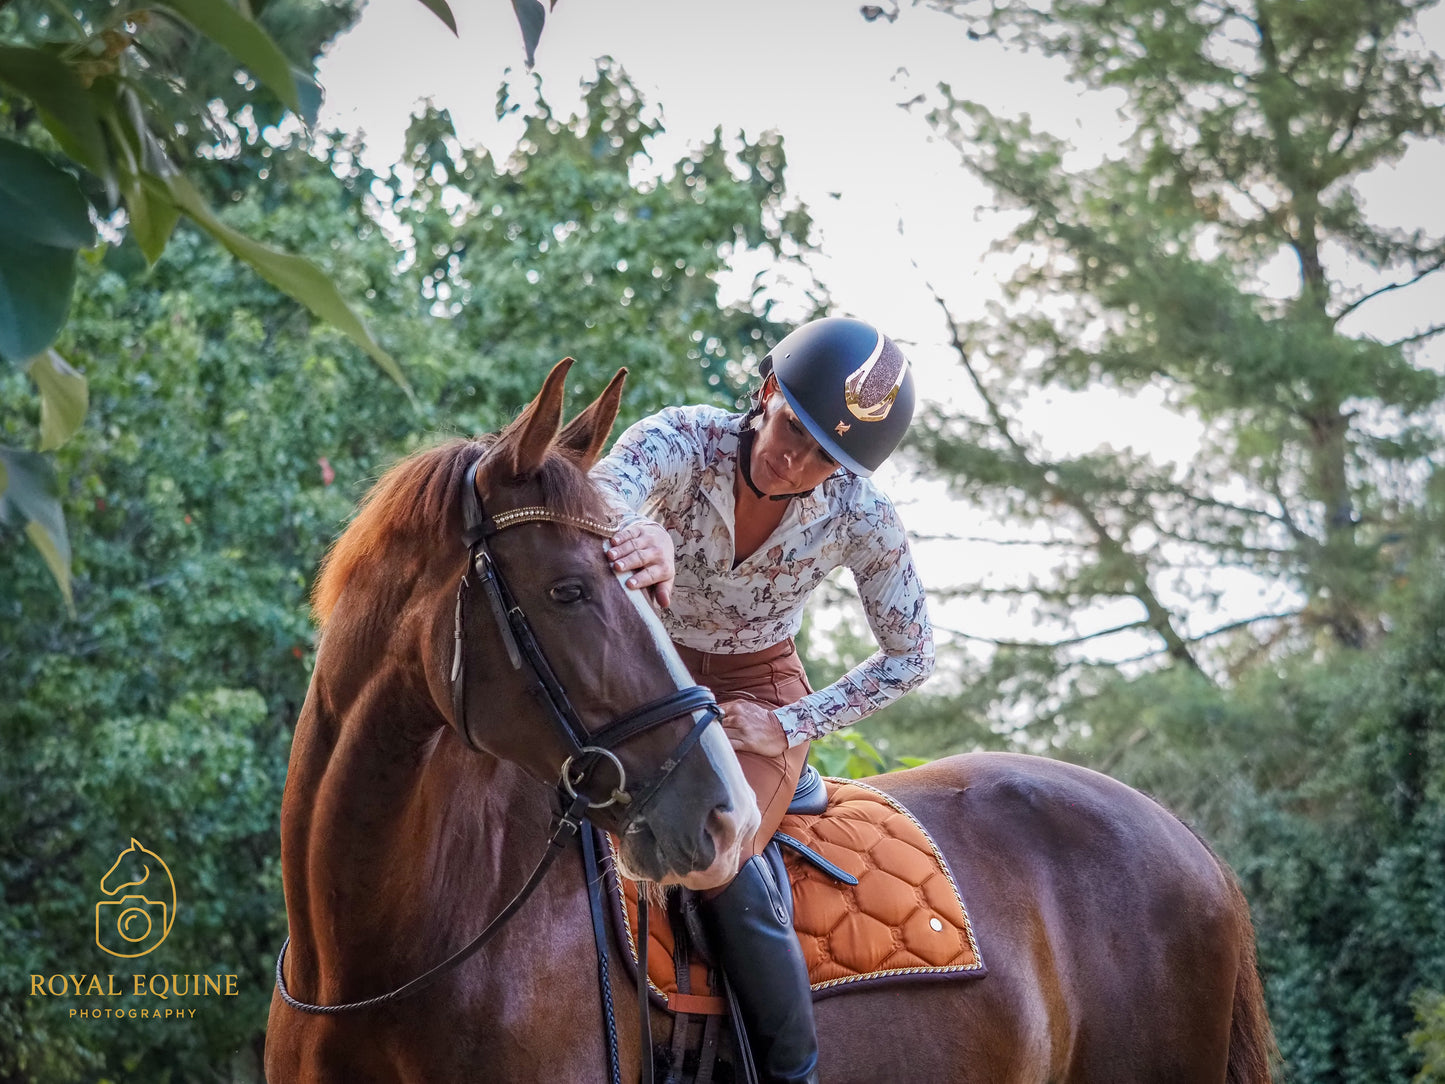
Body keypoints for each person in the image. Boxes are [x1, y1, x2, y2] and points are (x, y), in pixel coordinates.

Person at [593, 316, 935, 1084]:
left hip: (759, 688)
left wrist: (786, 724)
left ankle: (790, 1072)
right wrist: (639, 531)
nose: (798, 461)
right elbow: (600, 488)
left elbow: (910, 655)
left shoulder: (860, 513)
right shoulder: (683, 437)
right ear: (768, 391)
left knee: (711, 850)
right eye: (793, 429)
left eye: (826, 456)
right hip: (648, 671)